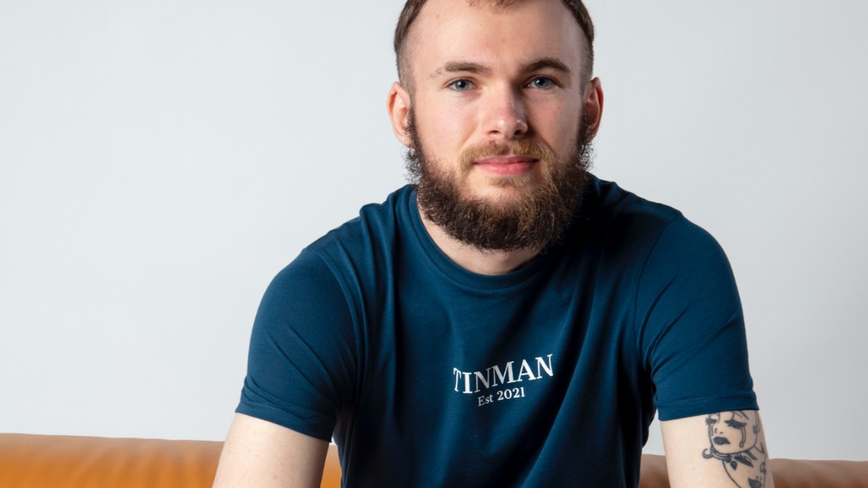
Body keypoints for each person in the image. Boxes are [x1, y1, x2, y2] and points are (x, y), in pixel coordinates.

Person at [213, 0, 774, 486]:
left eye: (541, 80)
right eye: (462, 83)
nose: (506, 121)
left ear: (590, 109)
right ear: (405, 116)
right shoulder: (325, 294)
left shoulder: (671, 265)